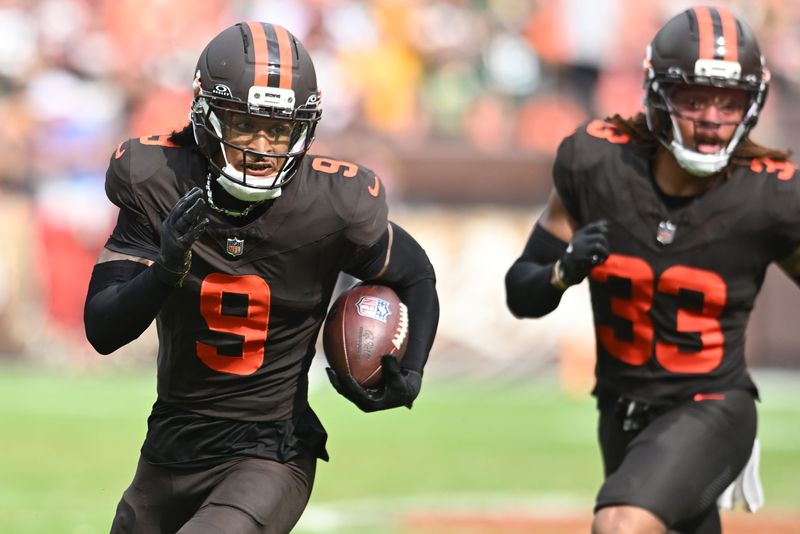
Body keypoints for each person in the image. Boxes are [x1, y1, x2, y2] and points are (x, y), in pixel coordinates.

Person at [83, 21, 439, 534]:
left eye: (279, 129)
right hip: (169, 444)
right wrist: (166, 270)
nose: (262, 147)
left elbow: (417, 275)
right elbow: (103, 329)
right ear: (205, 116)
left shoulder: (332, 202)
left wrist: (413, 370)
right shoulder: (158, 178)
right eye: (245, 125)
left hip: (270, 451)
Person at [506, 6, 800, 534]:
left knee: (621, 524)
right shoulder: (596, 163)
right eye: (694, 99)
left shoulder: (771, 195)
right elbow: (521, 293)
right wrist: (562, 272)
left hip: (712, 408)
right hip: (620, 412)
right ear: (659, 95)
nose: (711, 118)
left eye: (728, 102)